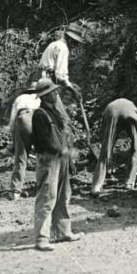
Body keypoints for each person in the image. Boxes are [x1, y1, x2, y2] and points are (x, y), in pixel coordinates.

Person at [30, 78, 82, 251]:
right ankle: (41, 238)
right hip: (49, 160)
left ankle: (63, 231)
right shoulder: (39, 115)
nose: (56, 94)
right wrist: (63, 152)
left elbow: (64, 135)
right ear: (44, 97)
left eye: (55, 91)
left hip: (61, 159)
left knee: (63, 195)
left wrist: (68, 157)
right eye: (52, 92)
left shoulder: (55, 112)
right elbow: (43, 142)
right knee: (47, 197)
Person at [90, 98, 137, 195]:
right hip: (127, 113)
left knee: (105, 151)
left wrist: (104, 145)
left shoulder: (108, 109)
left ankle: (96, 186)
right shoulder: (134, 110)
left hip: (111, 111)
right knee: (136, 147)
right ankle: (129, 183)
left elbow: (102, 134)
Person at [8, 83, 42, 199]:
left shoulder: (20, 98)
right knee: (41, 156)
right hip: (38, 121)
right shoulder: (40, 99)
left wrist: (14, 139)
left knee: (21, 157)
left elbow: (13, 120)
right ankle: (42, 187)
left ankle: (15, 191)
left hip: (23, 119)